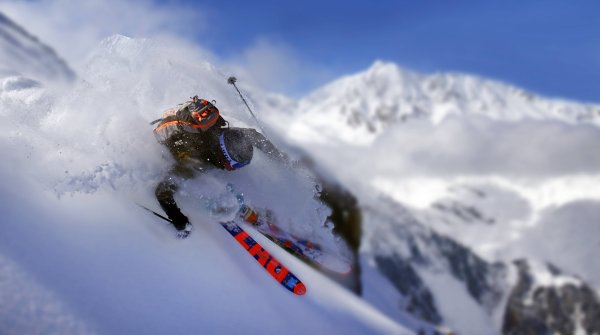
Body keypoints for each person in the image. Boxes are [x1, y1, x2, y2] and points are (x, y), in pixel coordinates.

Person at [153, 95, 287, 238]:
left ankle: (250, 210)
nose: (233, 168)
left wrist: (280, 159)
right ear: (222, 155)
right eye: (233, 164)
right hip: (178, 146)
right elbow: (162, 192)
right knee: (207, 183)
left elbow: (256, 136)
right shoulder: (193, 160)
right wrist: (180, 222)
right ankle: (242, 213)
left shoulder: (228, 134)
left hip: (196, 137)